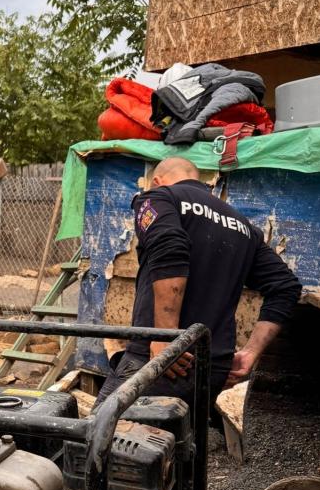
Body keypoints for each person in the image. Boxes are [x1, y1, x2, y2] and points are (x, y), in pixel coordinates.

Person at [96, 156, 302, 408]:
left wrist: (167, 339)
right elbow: (286, 287)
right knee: (179, 441)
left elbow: (170, 249)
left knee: (97, 437)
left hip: (163, 361)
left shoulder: (158, 198)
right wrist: (250, 353)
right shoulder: (244, 227)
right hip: (213, 368)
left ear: (157, 181)